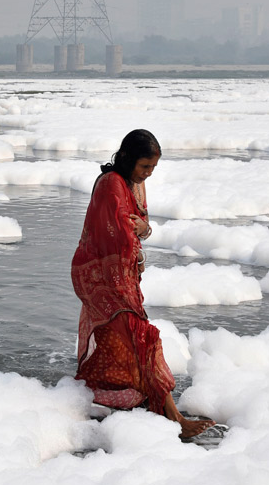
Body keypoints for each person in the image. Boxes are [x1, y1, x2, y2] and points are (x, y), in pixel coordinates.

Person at [72, 129, 214, 439]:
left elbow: (140, 227)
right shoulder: (111, 184)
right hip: (101, 276)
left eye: (152, 168)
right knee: (143, 338)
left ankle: (107, 395)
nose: (147, 174)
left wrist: (144, 229)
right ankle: (175, 418)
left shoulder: (133, 185)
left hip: (121, 276)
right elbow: (114, 233)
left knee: (119, 342)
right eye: (144, 167)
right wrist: (134, 233)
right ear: (126, 158)